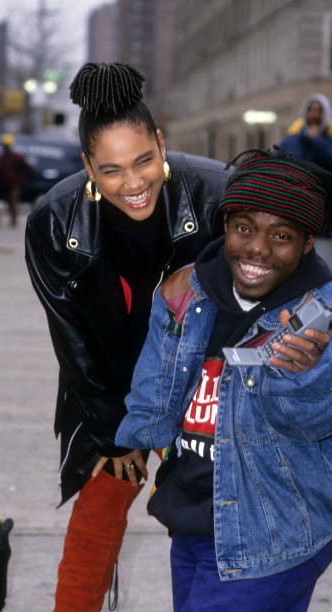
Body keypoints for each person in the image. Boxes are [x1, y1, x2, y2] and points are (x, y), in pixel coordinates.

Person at [25, 62, 231, 612]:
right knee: (98, 511)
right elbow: (72, 343)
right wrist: (118, 435)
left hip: (203, 378)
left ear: (162, 143)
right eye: (111, 169)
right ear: (88, 165)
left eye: (144, 160)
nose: (134, 183)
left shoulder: (216, 196)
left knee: (216, 519)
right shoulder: (53, 224)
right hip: (110, 384)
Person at [116, 150, 332, 612]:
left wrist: (305, 376)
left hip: (274, 526)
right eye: (245, 229)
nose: (257, 249)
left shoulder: (321, 320)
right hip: (193, 513)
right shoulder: (187, 291)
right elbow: (157, 376)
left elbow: (316, 425)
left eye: (281, 237)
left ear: (308, 243)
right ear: (226, 226)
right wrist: (135, 438)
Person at [280, 93, 332, 172]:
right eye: (310, 109)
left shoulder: (329, 142)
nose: (314, 114)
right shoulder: (289, 141)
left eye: (319, 110)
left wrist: (317, 140)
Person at [0, 134, 35, 227]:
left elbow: (26, 167)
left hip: (15, 184)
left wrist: (32, 176)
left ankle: (14, 220)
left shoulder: (17, 157)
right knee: (9, 202)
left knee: (14, 201)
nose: (6, 147)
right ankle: (12, 218)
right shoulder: (1, 158)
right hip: (5, 184)